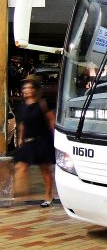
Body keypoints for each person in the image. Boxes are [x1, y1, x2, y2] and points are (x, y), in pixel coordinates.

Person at [13, 75, 56, 207]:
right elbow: (21, 124)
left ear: (34, 90)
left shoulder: (42, 104)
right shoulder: (22, 106)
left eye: (29, 87)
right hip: (28, 142)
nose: (25, 90)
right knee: (20, 165)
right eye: (24, 87)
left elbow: (51, 121)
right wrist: (20, 138)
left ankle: (49, 196)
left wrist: (55, 139)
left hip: (42, 141)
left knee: (45, 170)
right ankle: (21, 191)